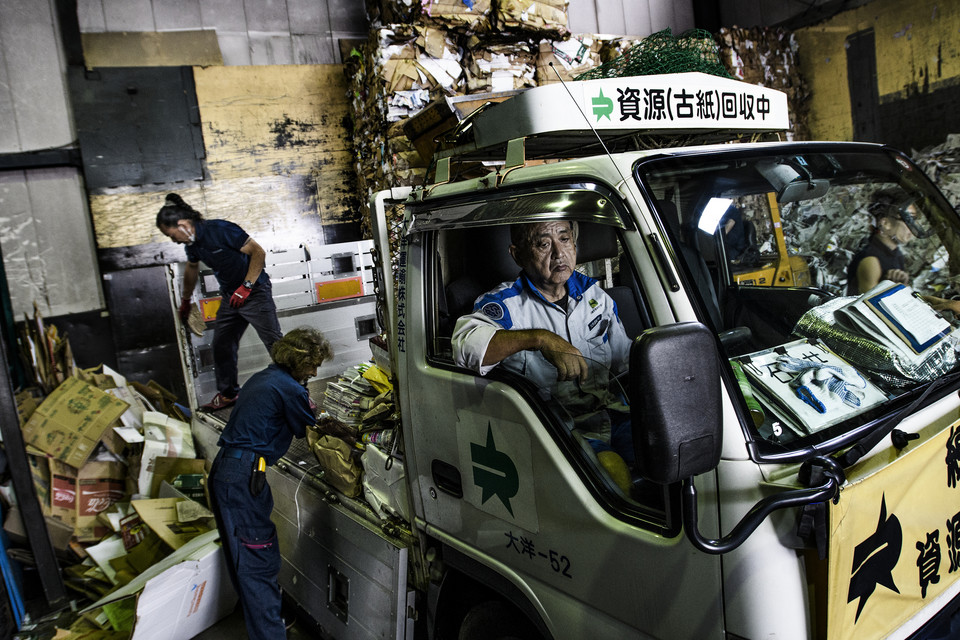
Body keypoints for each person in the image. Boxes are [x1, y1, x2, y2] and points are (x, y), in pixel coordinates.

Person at [451, 220, 634, 491]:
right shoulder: (505, 305)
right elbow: (465, 348)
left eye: (565, 239)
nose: (559, 253)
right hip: (559, 431)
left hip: (612, 414)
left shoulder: (595, 296)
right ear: (517, 255)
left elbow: (625, 361)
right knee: (611, 475)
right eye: (543, 244)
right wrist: (540, 339)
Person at [207, 327, 332, 640]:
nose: (316, 371)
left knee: (243, 558)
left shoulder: (265, 376)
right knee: (258, 562)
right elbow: (311, 428)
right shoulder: (290, 388)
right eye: (312, 365)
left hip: (226, 471)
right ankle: (269, 633)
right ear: (296, 360)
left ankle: (262, 623)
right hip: (243, 476)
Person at [157, 193, 283, 411]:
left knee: (275, 343)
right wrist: (186, 300)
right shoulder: (193, 245)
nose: (174, 240)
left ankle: (299, 391)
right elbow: (192, 268)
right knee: (222, 344)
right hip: (230, 296)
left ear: (183, 224)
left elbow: (258, 253)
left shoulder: (221, 229)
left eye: (171, 235)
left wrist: (246, 287)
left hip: (255, 292)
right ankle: (229, 394)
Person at [846, 188, 960, 314]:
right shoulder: (871, 260)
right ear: (886, 223)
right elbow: (869, 310)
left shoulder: (896, 255)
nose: (913, 227)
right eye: (909, 219)